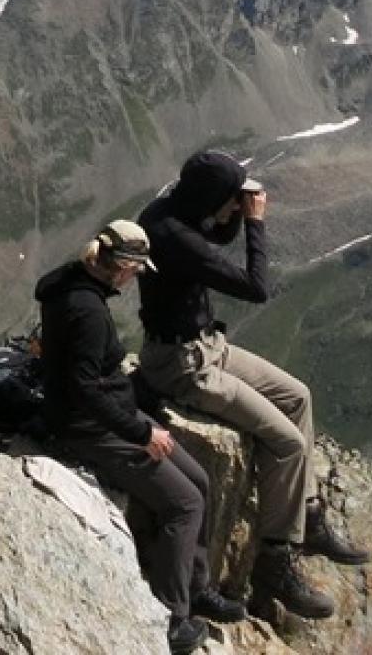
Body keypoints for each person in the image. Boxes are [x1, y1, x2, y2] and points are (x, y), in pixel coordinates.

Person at [135, 149, 369, 622]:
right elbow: (255, 287)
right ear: (209, 197)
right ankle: (275, 562)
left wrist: (234, 212)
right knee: (286, 442)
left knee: (298, 396)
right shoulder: (174, 237)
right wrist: (256, 223)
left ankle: (309, 517)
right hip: (183, 366)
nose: (233, 207)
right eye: (230, 198)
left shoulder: (170, 210)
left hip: (207, 345)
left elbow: (215, 230)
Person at [35, 219, 245, 654]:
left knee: (201, 482)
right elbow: (85, 389)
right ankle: (173, 617)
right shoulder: (89, 312)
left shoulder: (71, 281)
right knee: (185, 504)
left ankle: (196, 585)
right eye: (136, 269)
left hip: (108, 413)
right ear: (122, 266)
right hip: (90, 427)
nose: (136, 278)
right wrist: (141, 431)